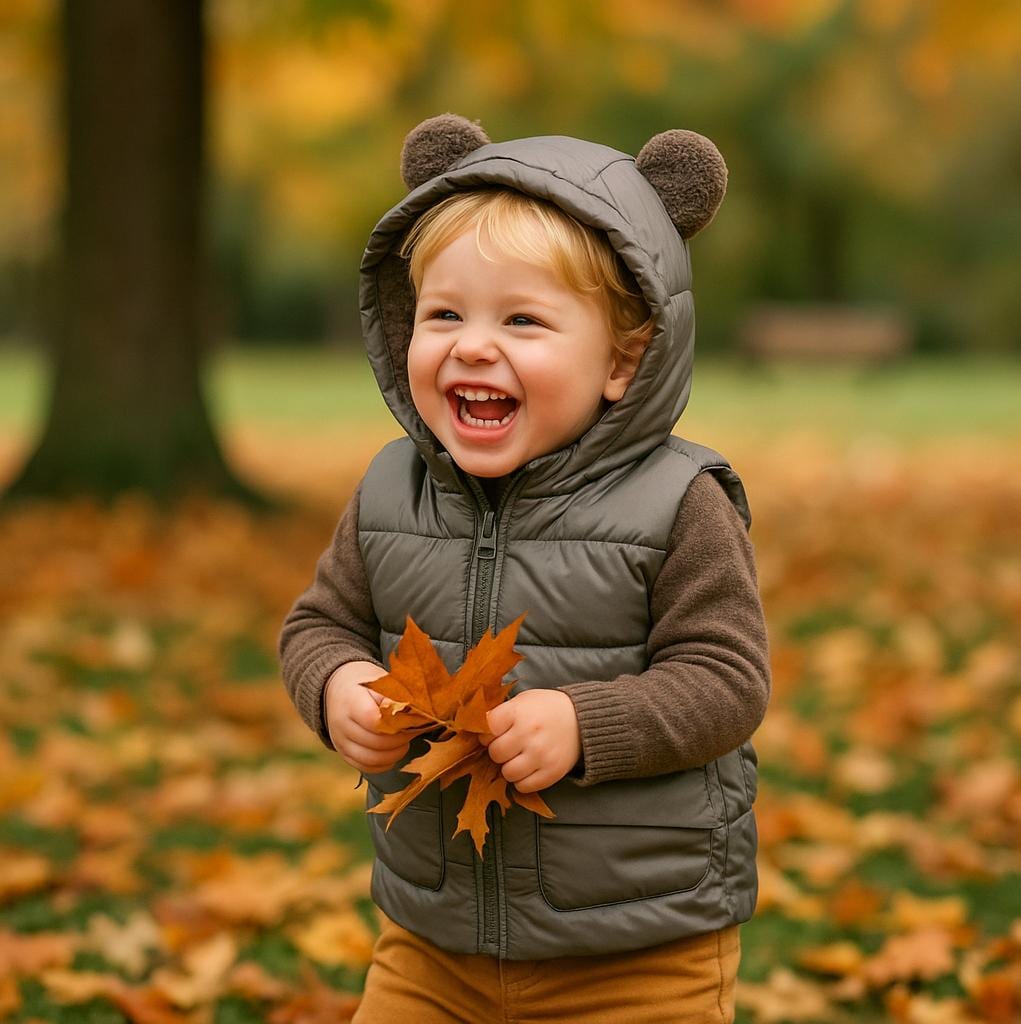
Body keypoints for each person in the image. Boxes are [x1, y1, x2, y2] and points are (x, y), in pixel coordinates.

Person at [278, 114, 771, 1023]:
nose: (472, 345)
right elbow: (319, 625)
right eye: (444, 315)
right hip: (431, 943)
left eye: (523, 320)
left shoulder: (679, 503)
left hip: (638, 949)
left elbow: (728, 680)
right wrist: (336, 683)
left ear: (625, 357)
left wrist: (587, 723)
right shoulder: (394, 489)